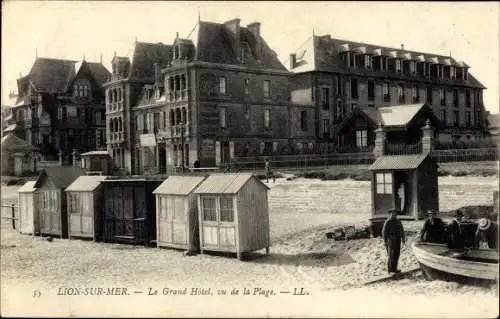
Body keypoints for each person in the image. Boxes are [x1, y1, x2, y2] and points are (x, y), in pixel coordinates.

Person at [381, 208, 406, 274]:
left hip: (398, 240)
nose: (394, 214)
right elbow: (384, 232)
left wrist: (403, 239)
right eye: (393, 213)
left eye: (395, 213)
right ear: (390, 214)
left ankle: (395, 269)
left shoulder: (398, 221)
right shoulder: (388, 222)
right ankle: (390, 270)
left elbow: (402, 231)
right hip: (391, 241)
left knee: (397, 254)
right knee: (391, 255)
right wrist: (385, 241)